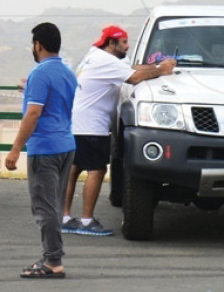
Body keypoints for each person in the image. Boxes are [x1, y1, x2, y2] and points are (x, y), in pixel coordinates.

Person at [62, 25, 176, 237]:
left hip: (77, 122)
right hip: (92, 126)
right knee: (96, 170)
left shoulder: (94, 56)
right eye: (123, 42)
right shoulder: (105, 61)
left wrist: (156, 65)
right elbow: (133, 77)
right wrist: (162, 70)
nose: (127, 45)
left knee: (74, 169)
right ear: (111, 43)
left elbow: (131, 68)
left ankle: (65, 217)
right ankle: (87, 221)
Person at [4, 22, 77, 279]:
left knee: (44, 207)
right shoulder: (67, 73)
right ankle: (52, 256)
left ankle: (53, 261)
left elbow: (33, 113)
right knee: (55, 205)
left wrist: (15, 149)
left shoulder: (40, 74)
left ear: (38, 45)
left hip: (44, 149)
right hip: (66, 146)